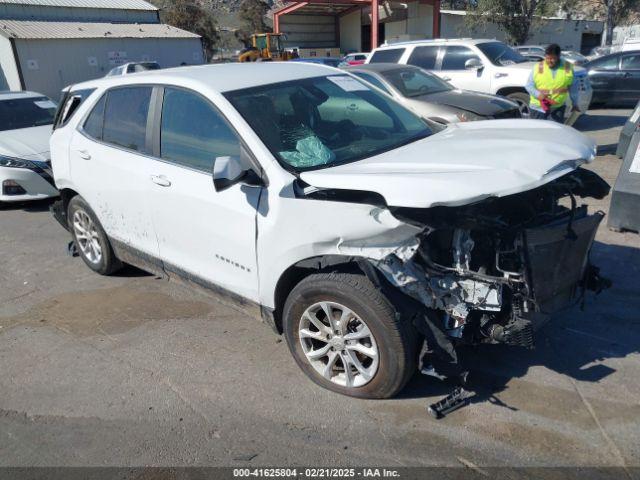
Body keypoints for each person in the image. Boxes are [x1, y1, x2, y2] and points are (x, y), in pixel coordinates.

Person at [525, 43, 580, 123]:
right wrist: (538, 94)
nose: (549, 61)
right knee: (537, 134)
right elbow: (529, 85)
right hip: (538, 107)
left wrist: (575, 104)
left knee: (555, 133)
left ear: (558, 57)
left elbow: (573, 88)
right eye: (547, 58)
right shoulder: (538, 67)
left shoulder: (568, 67)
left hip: (557, 107)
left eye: (552, 58)